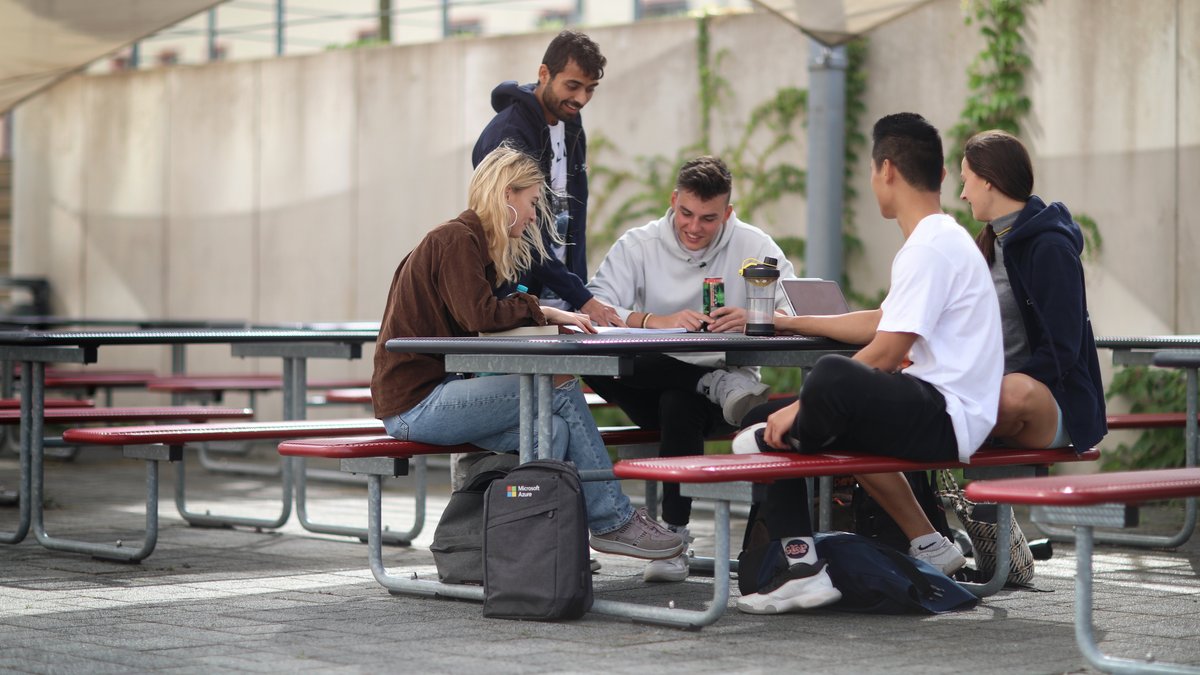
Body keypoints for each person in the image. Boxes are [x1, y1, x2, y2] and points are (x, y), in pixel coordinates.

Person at [731, 113, 1003, 613]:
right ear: (940, 175)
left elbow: (887, 351)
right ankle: (802, 568)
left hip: (946, 415)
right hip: (931, 409)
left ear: (887, 171)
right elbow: (883, 320)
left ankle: (817, 539)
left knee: (832, 377)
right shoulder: (937, 239)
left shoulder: (932, 246)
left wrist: (805, 405)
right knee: (758, 424)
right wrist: (798, 322)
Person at [371, 144, 684, 561]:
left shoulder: (471, 244)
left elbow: (479, 319)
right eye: (532, 202)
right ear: (506, 194)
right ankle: (612, 521)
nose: (536, 215)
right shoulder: (456, 239)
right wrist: (546, 309)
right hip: (416, 406)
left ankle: (534, 546)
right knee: (559, 385)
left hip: (435, 395)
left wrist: (540, 311)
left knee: (553, 431)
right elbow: (478, 314)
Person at [584, 155, 795, 583]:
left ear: (729, 213)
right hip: (660, 385)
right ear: (673, 200)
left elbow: (792, 308)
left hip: (726, 403)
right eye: (686, 213)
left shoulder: (755, 245)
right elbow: (593, 312)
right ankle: (708, 382)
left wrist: (753, 318)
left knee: (679, 400)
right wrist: (650, 321)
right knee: (597, 361)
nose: (694, 227)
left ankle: (674, 537)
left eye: (709, 218)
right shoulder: (637, 244)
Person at [959, 129, 1106, 451]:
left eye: (965, 180)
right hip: (991, 397)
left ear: (987, 180)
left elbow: (1062, 349)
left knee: (1011, 393)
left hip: (1050, 401)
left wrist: (992, 388)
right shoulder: (987, 245)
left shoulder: (1050, 247)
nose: (962, 194)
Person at [472, 29, 623, 327]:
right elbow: (516, 228)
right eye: (573, 86)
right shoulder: (508, 134)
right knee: (531, 376)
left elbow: (572, 218)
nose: (581, 98)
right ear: (544, 74)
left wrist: (578, 292)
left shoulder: (570, 125)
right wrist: (583, 297)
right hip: (515, 298)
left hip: (565, 298)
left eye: (590, 89)